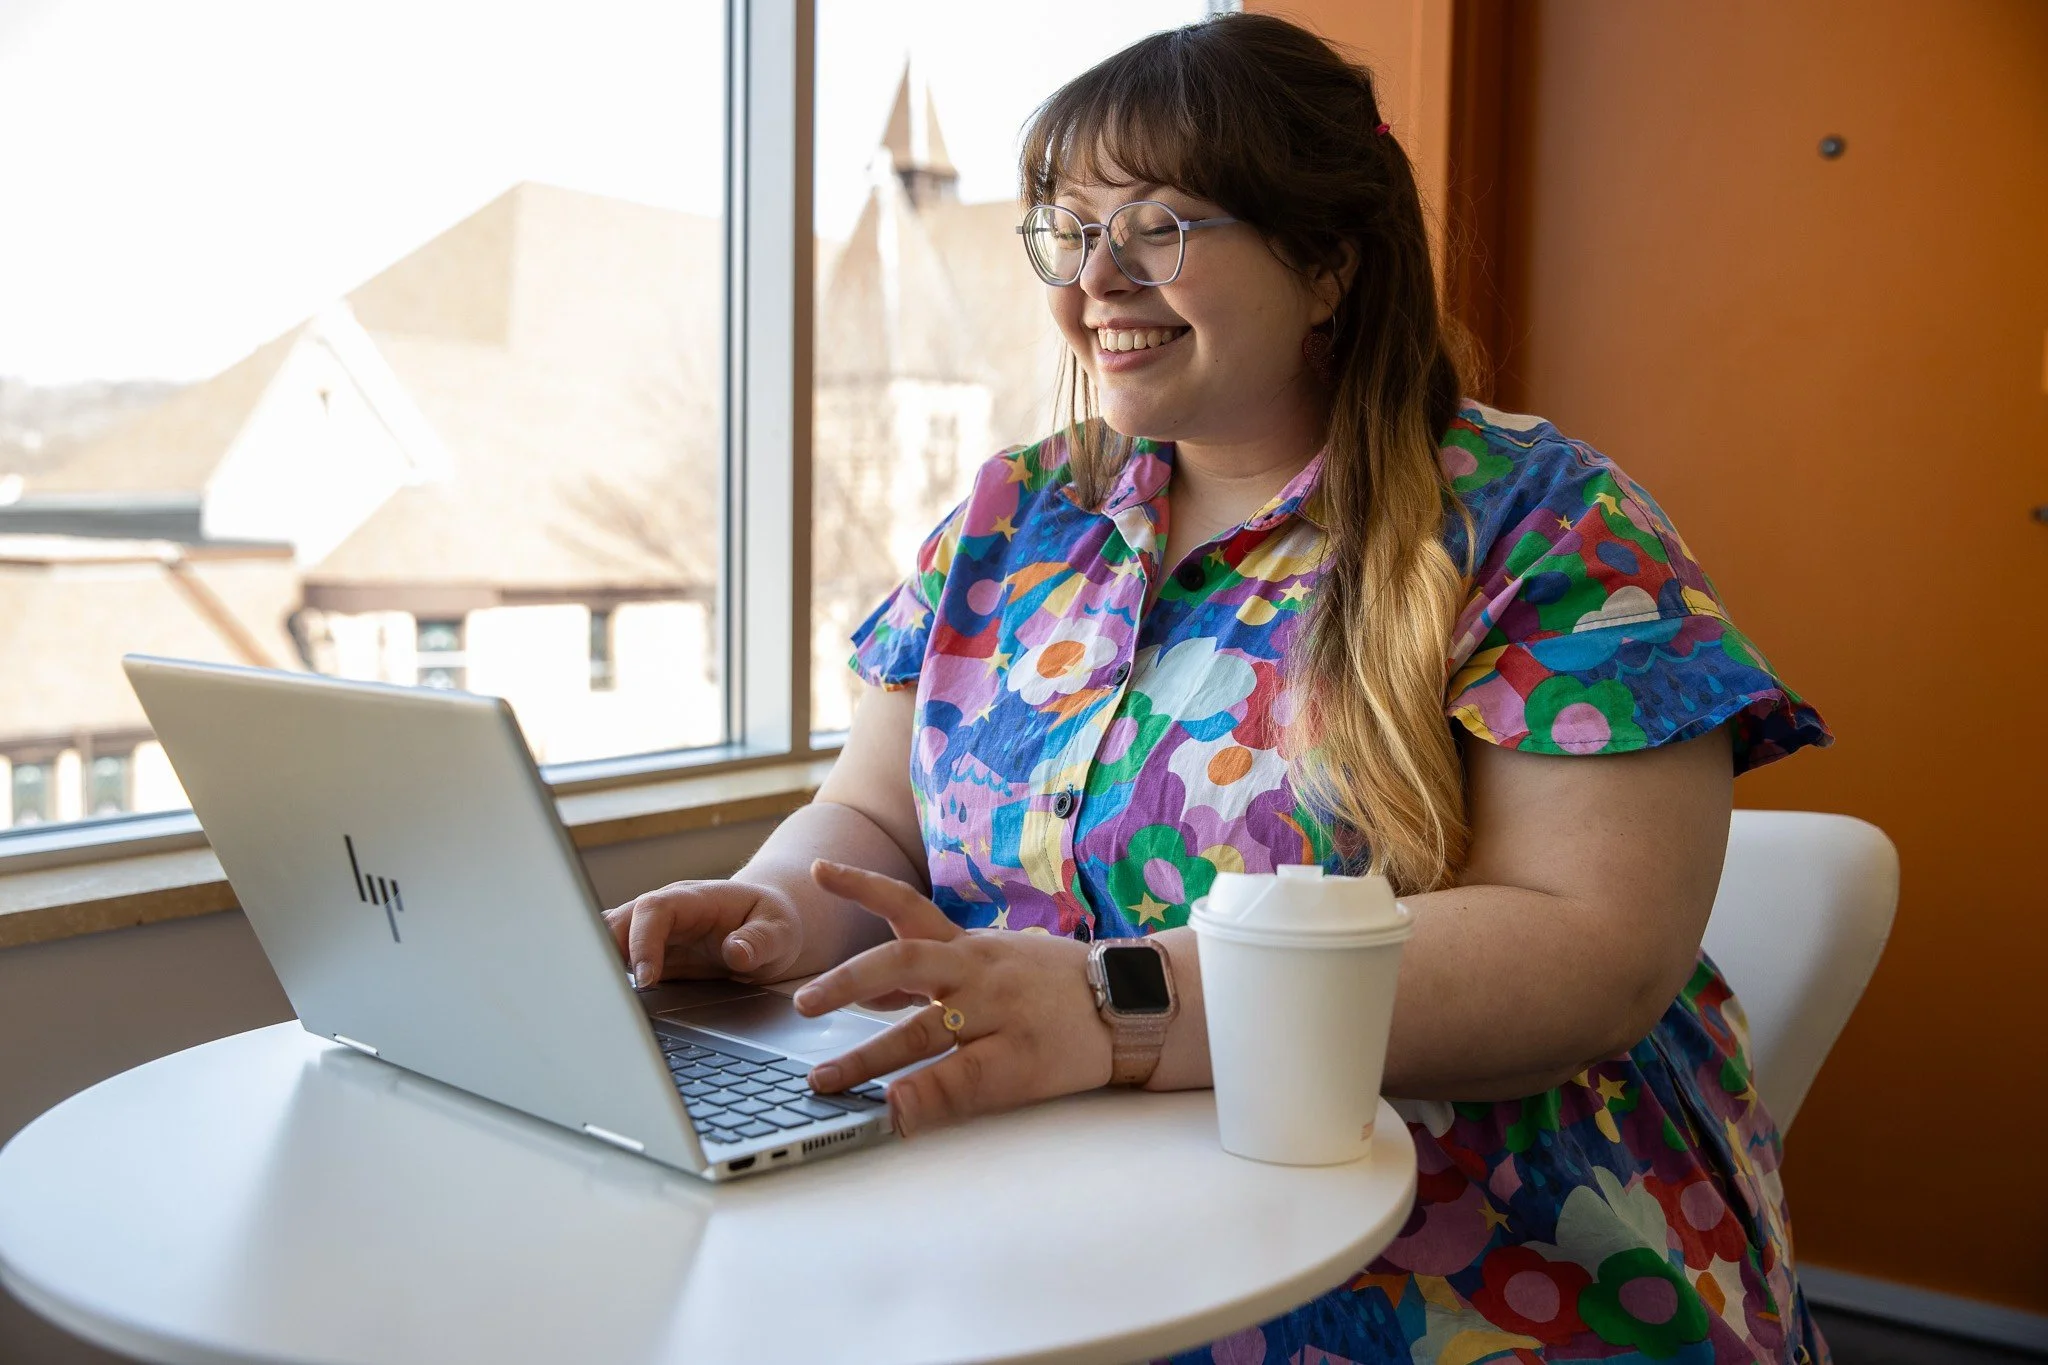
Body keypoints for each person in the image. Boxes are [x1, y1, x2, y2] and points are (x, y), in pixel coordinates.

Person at [608, 13, 1833, 1363]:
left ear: (1327, 263)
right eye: (1071, 232)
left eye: (1159, 227)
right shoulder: (1014, 516)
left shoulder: (1546, 526)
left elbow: (1592, 954)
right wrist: (776, 910)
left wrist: (1112, 1008)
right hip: (1033, 1220)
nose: (1097, 282)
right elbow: (875, 816)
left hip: (1458, 1258)